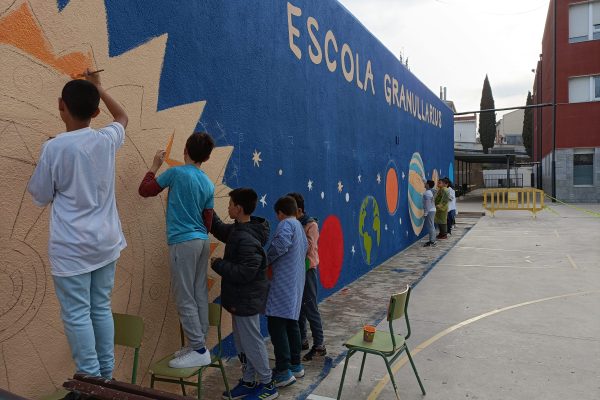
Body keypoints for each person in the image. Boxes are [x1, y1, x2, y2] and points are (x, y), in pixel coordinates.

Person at [27, 70, 128, 378]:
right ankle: (106, 377)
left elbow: (41, 195)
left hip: (72, 249)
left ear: (61, 105)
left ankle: (90, 378)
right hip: (106, 243)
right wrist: (100, 87)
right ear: (97, 112)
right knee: (100, 307)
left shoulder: (54, 148)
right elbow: (122, 116)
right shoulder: (105, 139)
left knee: (76, 314)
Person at [138, 132, 215, 368]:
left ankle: (199, 350)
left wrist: (154, 166)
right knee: (198, 291)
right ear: (207, 157)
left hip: (183, 241)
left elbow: (146, 190)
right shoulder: (208, 182)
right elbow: (208, 219)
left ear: (186, 151)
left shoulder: (177, 173)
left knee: (184, 296)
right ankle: (198, 343)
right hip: (202, 240)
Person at [209, 188, 278, 400]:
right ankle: (249, 381)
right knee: (242, 342)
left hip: (247, 299)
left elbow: (246, 272)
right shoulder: (240, 229)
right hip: (240, 299)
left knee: (252, 341)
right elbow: (221, 230)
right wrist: (207, 210)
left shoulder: (246, 238)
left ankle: (268, 384)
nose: (228, 207)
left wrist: (219, 264)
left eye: (230, 205)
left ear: (238, 209)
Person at [266, 196, 308, 388]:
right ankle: (295, 364)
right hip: (296, 283)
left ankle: (282, 371)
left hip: (283, 284)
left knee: (277, 326)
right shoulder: (299, 225)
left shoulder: (285, 225)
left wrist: (265, 260)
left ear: (280, 213)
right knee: (292, 324)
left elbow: (280, 245)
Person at [285, 192, 327, 361]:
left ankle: (319, 345)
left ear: (299, 210)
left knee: (310, 307)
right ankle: (302, 340)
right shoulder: (293, 223)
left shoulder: (311, 225)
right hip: (295, 270)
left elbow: (308, 248)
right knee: (298, 307)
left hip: (307, 270)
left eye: (291, 210)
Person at [422, 180, 437, 247]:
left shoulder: (427, 193)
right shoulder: (430, 191)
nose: (424, 184)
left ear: (428, 185)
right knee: (432, 225)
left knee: (431, 226)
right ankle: (432, 240)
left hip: (430, 210)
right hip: (432, 210)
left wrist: (425, 213)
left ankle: (432, 241)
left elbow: (428, 204)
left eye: (425, 183)